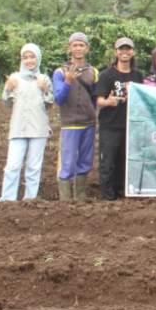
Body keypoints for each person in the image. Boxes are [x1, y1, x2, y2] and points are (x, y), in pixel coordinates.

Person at [0, 43, 53, 201]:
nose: (29, 60)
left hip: (38, 128)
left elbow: (50, 103)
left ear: (38, 59)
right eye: (25, 57)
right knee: (12, 166)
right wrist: (8, 89)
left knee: (33, 167)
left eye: (32, 57)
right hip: (18, 128)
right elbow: (6, 103)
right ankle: (7, 198)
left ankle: (30, 199)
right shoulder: (14, 78)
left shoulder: (43, 79)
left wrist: (45, 90)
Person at [96, 37, 144, 200]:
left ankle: (122, 192)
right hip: (110, 125)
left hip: (131, 125)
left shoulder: (138, 76)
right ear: (116, 52)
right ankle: (107, 196)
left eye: (128, 49)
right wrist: (109, 102)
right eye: (121, 49)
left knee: (125, 161)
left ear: (133, 52)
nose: (125, 52)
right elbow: (99, 100)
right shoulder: (106, 75)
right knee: (108, 161)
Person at [52, 32, 98, 201]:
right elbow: (58, 98)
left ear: (87, 49)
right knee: (67, 161)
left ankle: (80, 195)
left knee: (86, 160)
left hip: (89, 123)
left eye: (81, 45)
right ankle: (65, 198)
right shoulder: (60, 72)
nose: (78, 48)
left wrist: (93, 114)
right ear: (69, 48)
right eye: (75, 45)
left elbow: (95, 98)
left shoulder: (93, 72)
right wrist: (68, 82)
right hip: (70, 123)